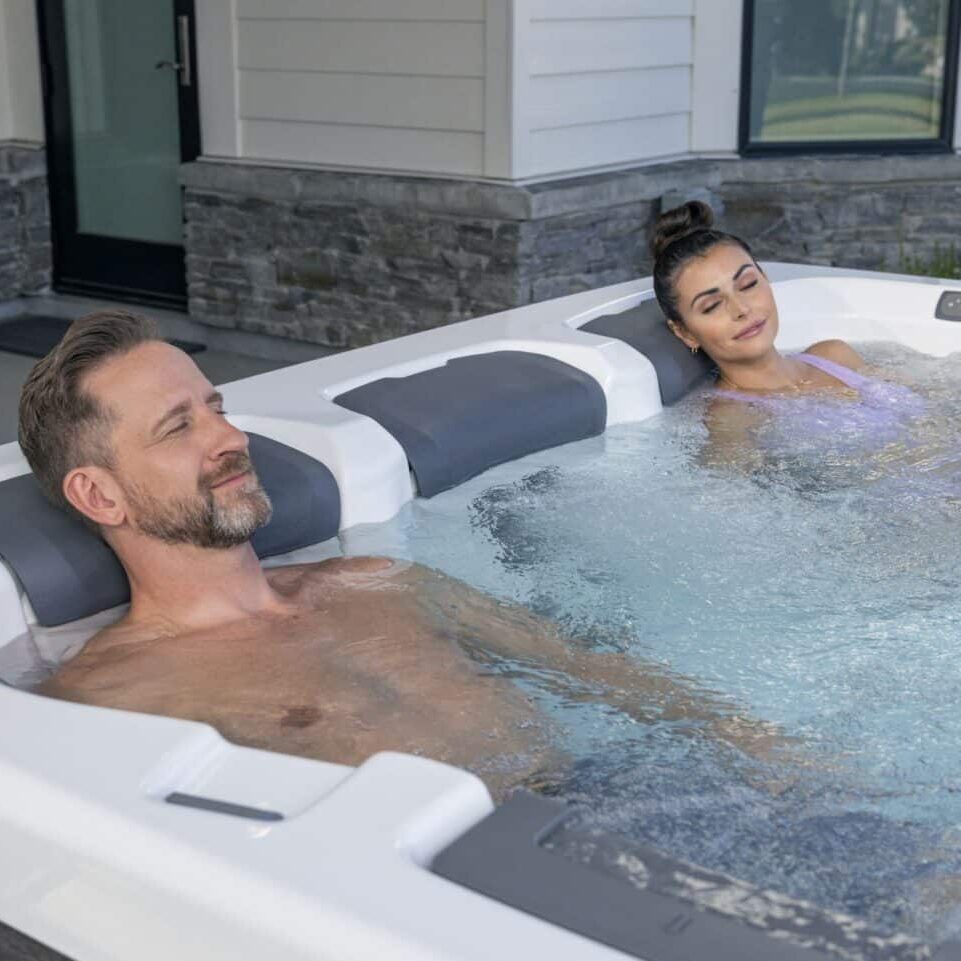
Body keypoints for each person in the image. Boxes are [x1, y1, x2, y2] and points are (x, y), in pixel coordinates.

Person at [18, 310, 787, 800]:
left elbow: (594, 669)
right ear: (100, 497)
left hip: (625, 801)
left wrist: (759, 744)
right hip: (461, 900)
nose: (230, 437)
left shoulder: (375, 578)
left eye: (216, 407)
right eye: (176, 426)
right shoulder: (105, 696)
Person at [650, 201, 925, 465]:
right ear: (685, 333)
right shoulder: (734, 418)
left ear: (766, 279)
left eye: (747, 284)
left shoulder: (833, 355)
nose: (742, 309)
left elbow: (931, 404)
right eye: (711, 306)